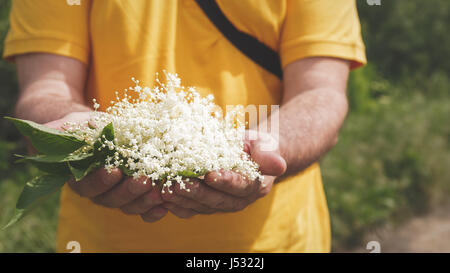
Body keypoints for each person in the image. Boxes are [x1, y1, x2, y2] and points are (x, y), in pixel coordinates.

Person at [4, 0, 366, 252]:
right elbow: (46, 87)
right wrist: (81, 139)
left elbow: (321, 91)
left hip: (275, 243)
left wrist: (271, 147)